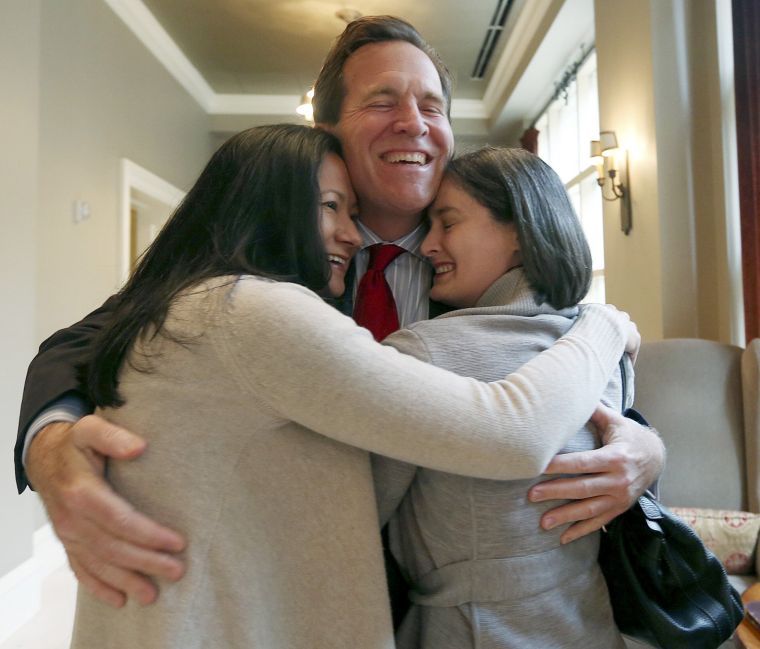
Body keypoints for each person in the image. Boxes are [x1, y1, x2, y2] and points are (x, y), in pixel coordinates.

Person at [14, 15, 665, 610]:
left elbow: (554, 362)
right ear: (325, 128)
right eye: (383, 101)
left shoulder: (486, 254)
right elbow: (87, 340)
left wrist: (645, 446)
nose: (413, 122)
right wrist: (51, 444)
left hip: (471, 594)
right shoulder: (268, 271)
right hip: (297, 579)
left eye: (431, 106)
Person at [68, 124, 632, 648]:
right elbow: (511, 431)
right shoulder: (252, 311)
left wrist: (642, 449)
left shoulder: (192, 306)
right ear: (266, 212)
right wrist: (603, 323)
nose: (350, 235)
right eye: (331, 208)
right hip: (206, 616)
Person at [373, 147, 632, 648]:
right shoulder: (600, 345)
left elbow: (358, 511)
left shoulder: (422, 352)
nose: (427, 246)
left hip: (473, 631)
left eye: (446, 223)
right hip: (591, 625)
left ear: (519, 232)